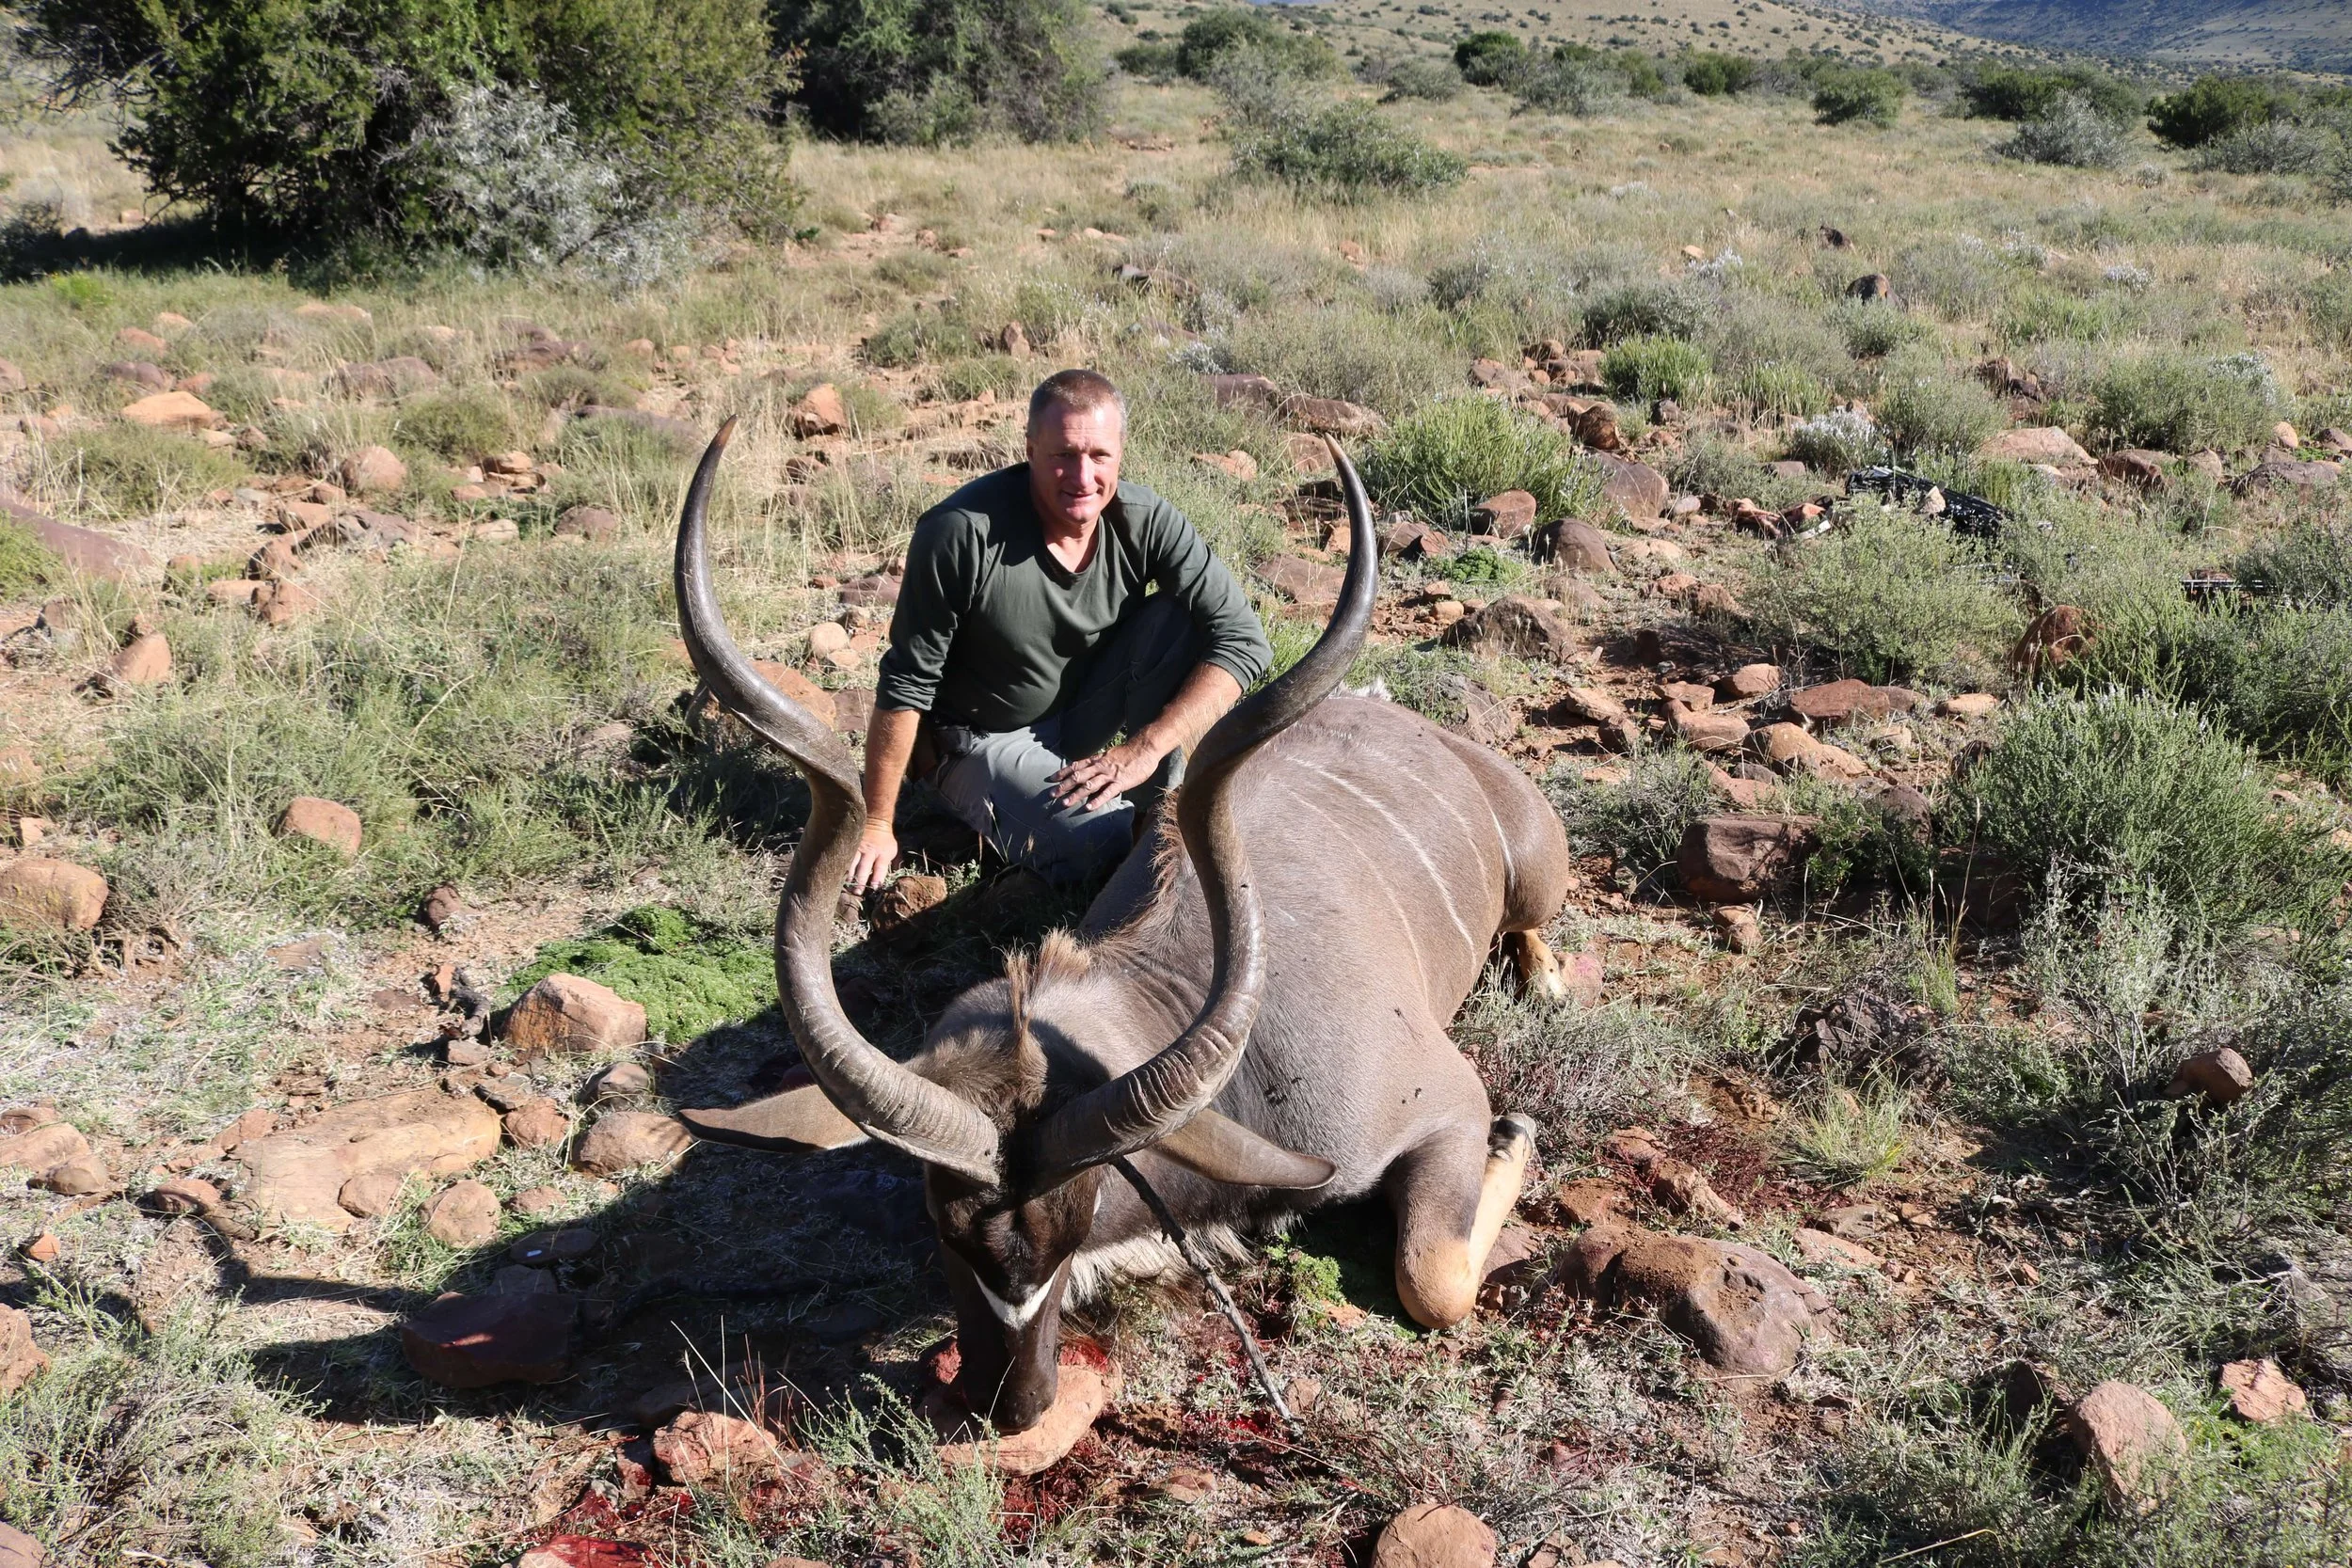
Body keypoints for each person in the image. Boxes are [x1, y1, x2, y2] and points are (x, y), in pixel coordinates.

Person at [850, 368, 1273, 890]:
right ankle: (1108, 830)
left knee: (1179, 619)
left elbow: (1244, 640)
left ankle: (1160, 806)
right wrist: (876, 824)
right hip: (980, 740)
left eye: (1098, 456)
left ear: (1120, 452)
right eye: (1063, 456)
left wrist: (1142, 750)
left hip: (1081, 716)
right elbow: (905, 685)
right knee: (1101, 845)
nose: (1082, 477)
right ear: (1030, 449)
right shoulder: (960, 533)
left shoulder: (1145, 520)